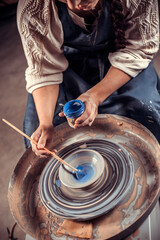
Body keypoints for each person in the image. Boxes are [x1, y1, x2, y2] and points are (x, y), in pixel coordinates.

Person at [17, 0, 160, 157]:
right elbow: (45, 69)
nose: (75, 5)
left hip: (125, 59)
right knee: (44, 130)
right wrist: (45, 123)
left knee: (144, 112)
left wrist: (94, 96)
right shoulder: (33, 6)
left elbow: (139, 49)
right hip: (65, 65)